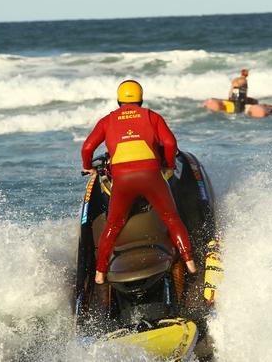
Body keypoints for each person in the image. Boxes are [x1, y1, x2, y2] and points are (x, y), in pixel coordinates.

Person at [81, 80, 197, 285]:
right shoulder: (151, 116)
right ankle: (189, 262)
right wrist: (169, 165)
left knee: (113, 225)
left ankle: (100, 273)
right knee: (172, 218)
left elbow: (87, 147)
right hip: (151, 176)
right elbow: (169, 143)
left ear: (119, 101)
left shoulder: (107, 120)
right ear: (140, 100)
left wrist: (87, 166)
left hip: (123, 181)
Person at [203, 68, 270, 118]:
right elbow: (244, 92)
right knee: (254, 101)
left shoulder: (236, 79)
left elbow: (232, 90)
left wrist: (229, 97)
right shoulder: (244, 80)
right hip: (239, 99)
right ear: (246, 74)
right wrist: (246, 100)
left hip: (233, 97)